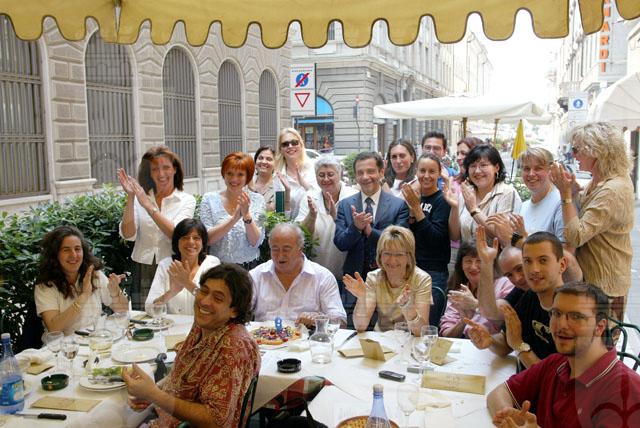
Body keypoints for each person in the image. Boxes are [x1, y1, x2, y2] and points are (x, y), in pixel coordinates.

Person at [123, 264, 260, 427]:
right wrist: (152, 392)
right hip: (163, 418)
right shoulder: (204, 325)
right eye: (204, 291)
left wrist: (154, 395)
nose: (204, 301)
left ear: (234, 311)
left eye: (218, 298)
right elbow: (181, 378)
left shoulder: (232, 348)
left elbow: (216, 421)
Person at [487, 282, 640, 428]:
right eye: (556, 313)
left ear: (599, 327)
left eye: (576, 317)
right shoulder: (557, 363)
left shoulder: (627, 391)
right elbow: (498, 393)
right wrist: (512, 420)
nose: (561, 325)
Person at [550, 122, 634, 322]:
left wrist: (565, 195)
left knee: (601, 338)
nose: (573, 154)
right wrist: (574, 192)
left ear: (596, 151)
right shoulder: (601, 180)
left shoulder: (613, 189)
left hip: (606, 284)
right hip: (595, 279)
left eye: (577, 149)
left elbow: (576, 236)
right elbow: (589, 212)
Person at [465, 232, 566, 369]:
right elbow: (506, 343)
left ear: (562, 265)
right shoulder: (529, 297)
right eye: (528, 261)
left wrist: (519, 346)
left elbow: (555, 378)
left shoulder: (574, 309)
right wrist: (489, 341)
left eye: (543, 260)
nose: (534, 269)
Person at [334, 151, 410, 326]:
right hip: (354, 281)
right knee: (355, 330)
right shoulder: (345, 205)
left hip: (388, 280)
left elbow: (401, 243)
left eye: (370, 171)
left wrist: (370, 231)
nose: (365, 177)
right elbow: (340, 243)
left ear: (381, 172)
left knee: (386, 331)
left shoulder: (398, 205)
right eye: (360, 173)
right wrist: (355, 227)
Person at [118, 146, 196, 309]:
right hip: (142, 267)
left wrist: (148, 206)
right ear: (149, 173)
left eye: (166, 167)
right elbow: (128, 234)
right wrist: (131, 197)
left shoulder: (186, 200)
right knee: (143, 314)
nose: (161, 174)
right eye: (155, 169)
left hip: (172, 267)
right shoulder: (140, 198)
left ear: (175, 169)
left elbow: (176, 234)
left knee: (171, 313)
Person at [34, 226, 129, 335]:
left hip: (94, 339)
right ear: (55, 255)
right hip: (62, 343)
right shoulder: (45, 286)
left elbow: (123, 310)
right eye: (66, 250)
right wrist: (84, 296)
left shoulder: (94, 274)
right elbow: (54, 328)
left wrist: (115, 292)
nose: (73, 255)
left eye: (77, 249)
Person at [249, 223, 346, 327]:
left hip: (307, 336)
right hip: (263, 335)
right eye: (275, 249)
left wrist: (318, 319)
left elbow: (341, 322)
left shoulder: (322, 277)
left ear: (301, 249)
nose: (280, 255)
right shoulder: (256, 275)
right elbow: (240, 312)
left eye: (286, 249)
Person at [343, 226, 432, 335]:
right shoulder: (373, 277)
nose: (392, 260)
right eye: (387, 253)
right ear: (380, 255)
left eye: (399, 254)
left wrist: (409, 310)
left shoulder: (422, 279)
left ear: (409, 257)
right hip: (381, 339)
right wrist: (361, 297)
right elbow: (360, 326)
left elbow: (421, 332)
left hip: (410, 340)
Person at [200, 152, 265, 270]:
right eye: (229, 173)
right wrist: (234, 219)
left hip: (249, 268)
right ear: (223, 174)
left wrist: (246, 215)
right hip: (217, 268)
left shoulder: (258, 200)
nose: (234, 179)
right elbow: (207, 240)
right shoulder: (209, 199)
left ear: (247, 177)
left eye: (240, 174)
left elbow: (255, 242)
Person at [295, 155, 358, 278]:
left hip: (347, 271)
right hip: (315, 270)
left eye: (330, 174)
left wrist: (336, 218)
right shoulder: (309, 197)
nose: (326, 179)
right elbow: (301, 234)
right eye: (321, 175)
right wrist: (312, 216)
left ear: (339, 174)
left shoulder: (353, 197)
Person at [445, 144, 521, 243]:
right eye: (473, 166)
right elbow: (454, 236)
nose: (477, 171)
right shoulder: (467, 193)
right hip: (466, 253)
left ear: (496, 167)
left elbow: (504, 237)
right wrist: (454, 207)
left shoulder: (507, 193)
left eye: (483, 165)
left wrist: (474, 210)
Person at [439, 242, 513, 338]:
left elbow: (509, 323)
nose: (473, 267)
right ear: (461, 265)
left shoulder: (504, 284)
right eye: (468, 261)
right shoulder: (459, 292)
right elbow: (445, 334)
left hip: (496, 344)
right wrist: (464, 321)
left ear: (490, 263)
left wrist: (475, 305)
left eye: (479, 261)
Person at [145, 219, 220, 315]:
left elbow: (216, 303)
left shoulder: (212, 263)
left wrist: (187, 283)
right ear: (177, 242)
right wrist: (171, 292)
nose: (191, 242)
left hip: (203, 323)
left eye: (196, 238)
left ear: (203, 243)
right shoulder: (166, 265)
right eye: (185, 238)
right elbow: (150, 309)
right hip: (173, 323)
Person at [402, 153, 451, 294]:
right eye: (422, 171)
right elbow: (410, 235)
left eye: (432, 171)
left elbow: (435, 238)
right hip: (412, 267)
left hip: (434, 271)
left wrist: (417, 209)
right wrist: (412, 214)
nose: (426, 176)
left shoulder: (443, 200)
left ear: (439, 173)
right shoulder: (415, 197)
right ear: (416, 172)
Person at [274, 127, 317, 219]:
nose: (290, 146)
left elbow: (321, 198)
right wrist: (287, 192)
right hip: (293, 226)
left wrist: (304, 184)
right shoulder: (278, 177)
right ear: (281, 149)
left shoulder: (314, 168)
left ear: (301, 145)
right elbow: (280, 213)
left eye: (294, 142)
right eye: (285, 144)